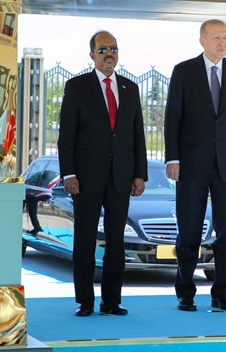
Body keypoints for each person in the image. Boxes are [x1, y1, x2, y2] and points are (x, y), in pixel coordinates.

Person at [58, 30, 148, 317]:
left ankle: (112, 301)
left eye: (113, 49)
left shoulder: (130, 88)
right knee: (85, 238)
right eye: (103, 49)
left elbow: (137, 135)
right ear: (92, 55)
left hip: (121, 176)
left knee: (116, 240)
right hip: (85, 178)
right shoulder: (77, 87)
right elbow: (66, 136)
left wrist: (140, 174)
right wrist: (69, 174)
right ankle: (85, 301)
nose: (109, 54)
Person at [164, 19, 226, 312]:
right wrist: (173, 158)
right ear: (202, 40)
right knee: (189, 231)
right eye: (216, 37)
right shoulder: (183, 71)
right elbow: (173, 118)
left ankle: (221, 292)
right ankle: (185, 292)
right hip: (191, 164)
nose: (222, 42)